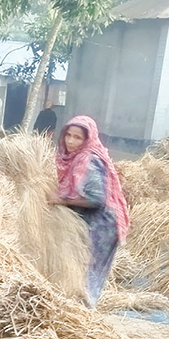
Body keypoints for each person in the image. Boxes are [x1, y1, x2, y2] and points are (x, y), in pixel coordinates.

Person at [49, 115, 130, 307]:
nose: (71, 141)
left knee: (88, 269)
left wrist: (61, 200)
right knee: (79, 267)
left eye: (77, 137)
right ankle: (80, 307)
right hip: (91, 221)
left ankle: (85, 311)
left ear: (87, 139)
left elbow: (96, 199)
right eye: (68, 135)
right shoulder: (72, 159)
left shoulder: (89, 160)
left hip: (103, 224)